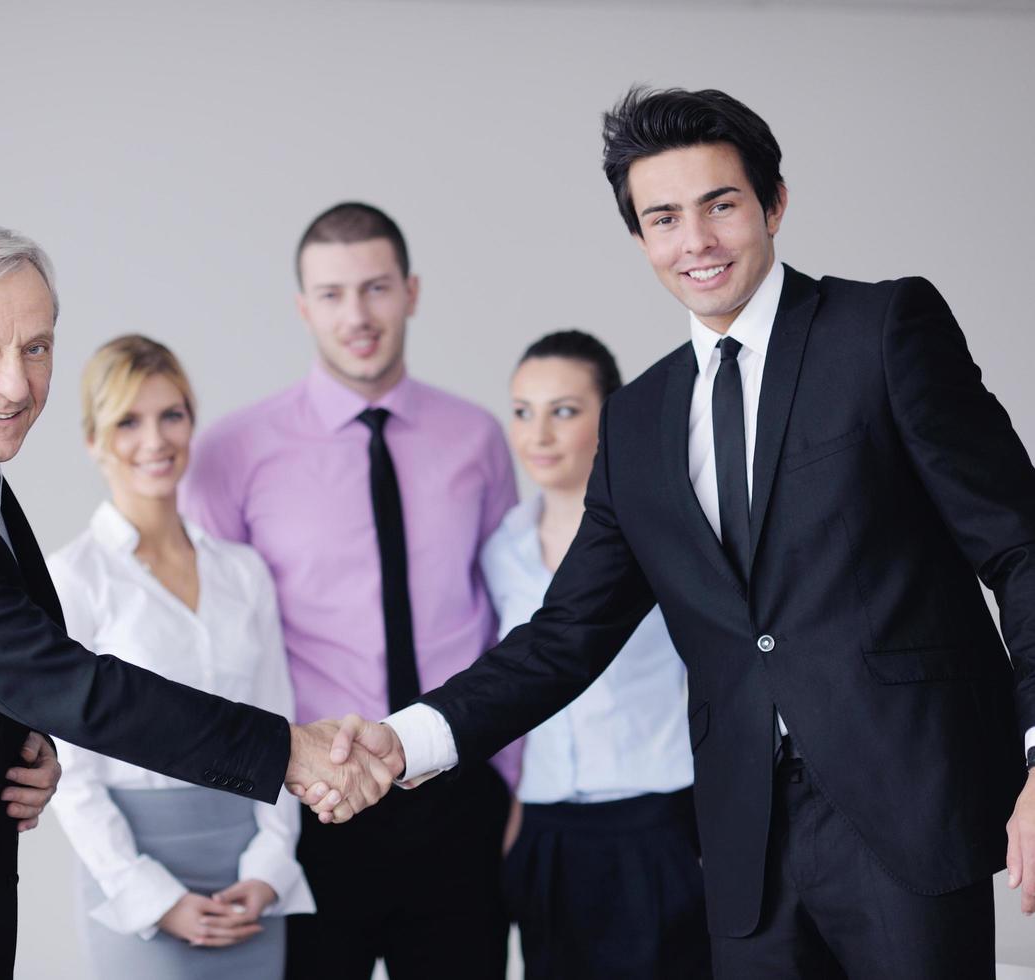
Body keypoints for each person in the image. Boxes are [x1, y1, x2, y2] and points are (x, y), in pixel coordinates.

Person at [315, 88, 1035, 978]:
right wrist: (411, 737)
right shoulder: (638, 421)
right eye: (663, 217)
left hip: (908, 814)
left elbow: (1019, 545)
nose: (695, 241)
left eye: (720, 205)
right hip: (743, 848)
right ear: (640, 239)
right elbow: (564, 635)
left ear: (773, 203)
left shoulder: (882, 331)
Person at [0, 221, 392, 980]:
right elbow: (69, 682)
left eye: (37, 347)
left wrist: (23, 747)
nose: (16, 384)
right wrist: (287, 749)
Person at [181, 202, 520, 980]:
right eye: (332, 295)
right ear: (303, 307)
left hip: (458, 792)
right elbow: (215, 641)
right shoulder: (233, 453)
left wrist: (514, 783)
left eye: (375, 288)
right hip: (313, 803)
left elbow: (515, 615)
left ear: (411, 291)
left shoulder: (476, 439)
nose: (357, 315)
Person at [47, 335, 314, 978]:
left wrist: (269, 869)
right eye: (128, 421)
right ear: (93, 440)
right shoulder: (73, 578)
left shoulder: (243, 573)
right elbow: (72, 771)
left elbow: (280, 730)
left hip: (247, 871)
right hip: (134, 875)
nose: (155, 440)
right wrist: (153, 897)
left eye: (172, 415)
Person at [485, 330, 707, 978]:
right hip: (549, 830)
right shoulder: (502, 548)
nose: (539, 435)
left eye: (565, 410)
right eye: (523, 411)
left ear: (610, 417)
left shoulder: (663, 532)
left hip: (659, 821)